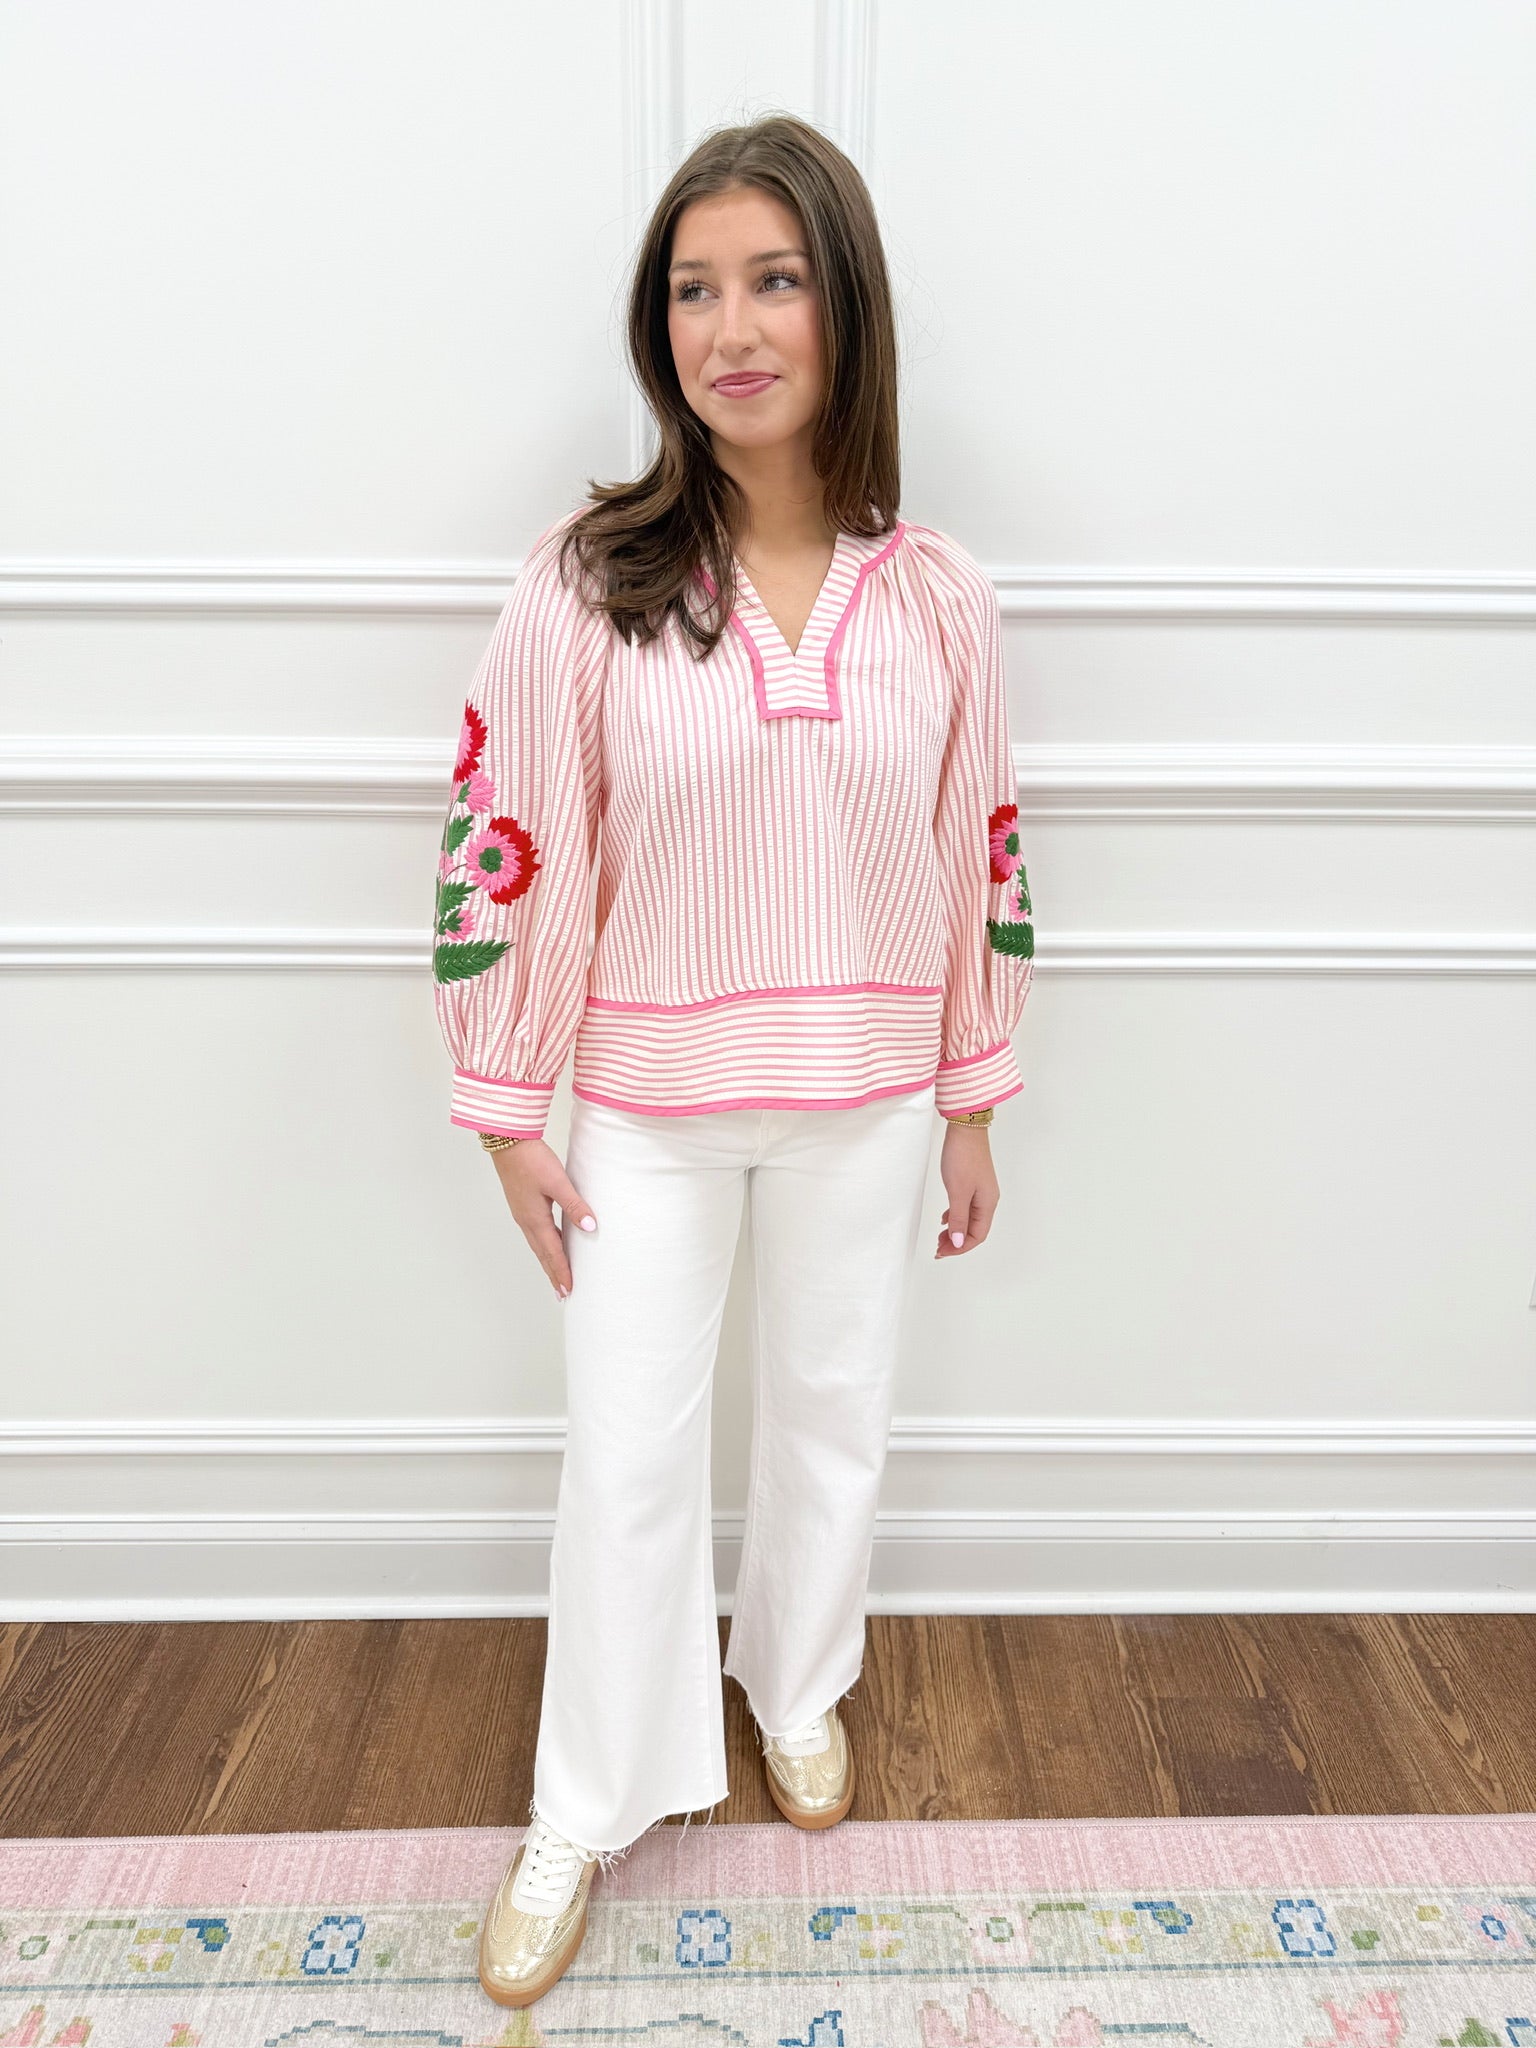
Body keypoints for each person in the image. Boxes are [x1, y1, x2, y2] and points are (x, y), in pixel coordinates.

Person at [429, 112, 1035, 2010]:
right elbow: (513, 836)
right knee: (624, 1456)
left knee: (834, 1414)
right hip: (645, 1111)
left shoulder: (938, 595)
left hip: (870, 1094)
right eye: (694, 290)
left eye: (774, 281)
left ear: (845, 306)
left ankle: (797, 1684)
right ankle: (582, 1802)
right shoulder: (586, 580)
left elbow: (980, 842)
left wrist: (971, 1096)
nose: (730, 327)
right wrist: (508, 1110)